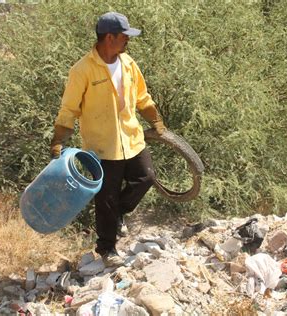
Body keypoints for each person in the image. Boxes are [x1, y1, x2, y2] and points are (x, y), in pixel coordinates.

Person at [50, 12, 166, 267]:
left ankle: (119, 215)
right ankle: (107, 248)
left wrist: (155, 120)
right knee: (106, 199)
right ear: (109, 37)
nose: (128, 41)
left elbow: (142, 97)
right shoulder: (82, 70)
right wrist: (58, 139)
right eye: (124, 36)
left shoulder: (128, 64)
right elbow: (69, 109)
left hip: (131, 137)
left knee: (145, 178)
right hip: (102, 146)